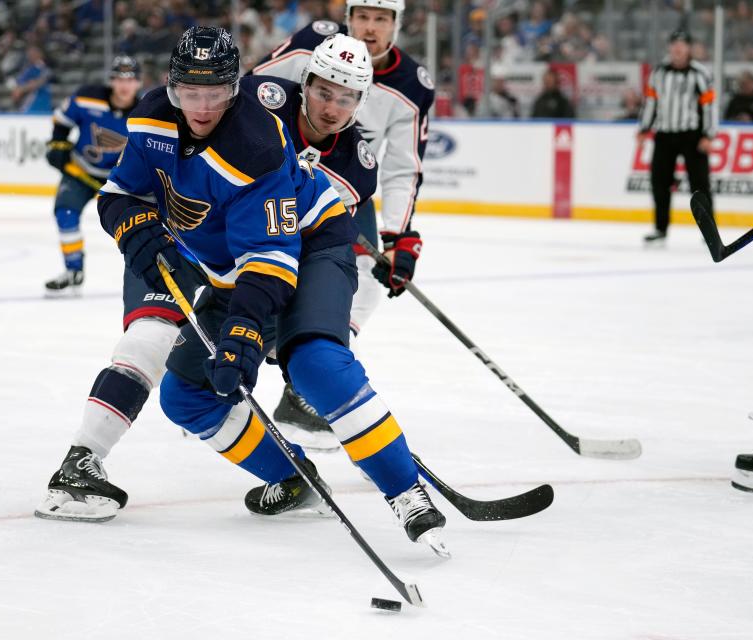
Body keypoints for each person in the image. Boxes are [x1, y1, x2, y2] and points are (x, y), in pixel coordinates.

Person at [39, 26, 450, 558]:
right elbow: (119, 193)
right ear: (171, 87)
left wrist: (245, 329)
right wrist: (133, 227)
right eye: (190, 93)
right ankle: (295, 475)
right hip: (223, 262)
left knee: (314, 363)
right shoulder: (150, 116)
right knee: (185, 394)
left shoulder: (257, 147)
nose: (202, 107)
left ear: (236, 89)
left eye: (215, 94)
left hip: (309, 244)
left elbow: (271, 259)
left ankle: (406, 493)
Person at [250, 0, 434, 438]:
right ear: (348, 18)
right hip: (276, 182)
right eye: (362, 17)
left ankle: (306, 373)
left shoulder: (412, 84)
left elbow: (402, 167)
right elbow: (252, 95)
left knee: (367, 276)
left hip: (346, 189)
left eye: (381, 19)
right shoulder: (315, 44)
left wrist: (397, 234)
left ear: (397, 24)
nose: (369, 28)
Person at [42, 55, 141, 296]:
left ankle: (145, 279)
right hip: (81, 171)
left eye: (130, 79)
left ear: (138, 83)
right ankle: (73, 270)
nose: (124, 85)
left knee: (136, 227)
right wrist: (58, 144)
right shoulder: (87, 97)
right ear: (111, 81)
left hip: (120, 181)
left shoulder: (146, 110)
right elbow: (62, 121)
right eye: (119, 78)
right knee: (65, 212)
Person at [638, 29, 715, 244]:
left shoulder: (700, 73)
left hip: (692, 135)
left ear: (689, 48)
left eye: (682, 44)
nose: (678, 48)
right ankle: (660, 228)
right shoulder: (658, 73)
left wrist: (709, 134)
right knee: (659, 182)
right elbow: (650, 103)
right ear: (669, 47)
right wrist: (644, 129)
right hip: (664, 134)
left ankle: (708, 232)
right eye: (674, 44)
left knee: (700, 185)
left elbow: (709, 107)